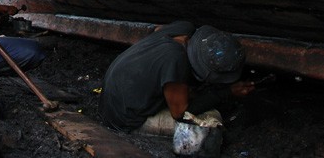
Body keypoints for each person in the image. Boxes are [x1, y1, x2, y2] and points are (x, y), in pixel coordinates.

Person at [99, 21, 255, 136]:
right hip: (122, 118)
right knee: (213, 120)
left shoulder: (184, 29)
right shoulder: (176, 61)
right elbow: (180, 113)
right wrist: (226, 92)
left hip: (112, 98)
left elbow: (157, 30)